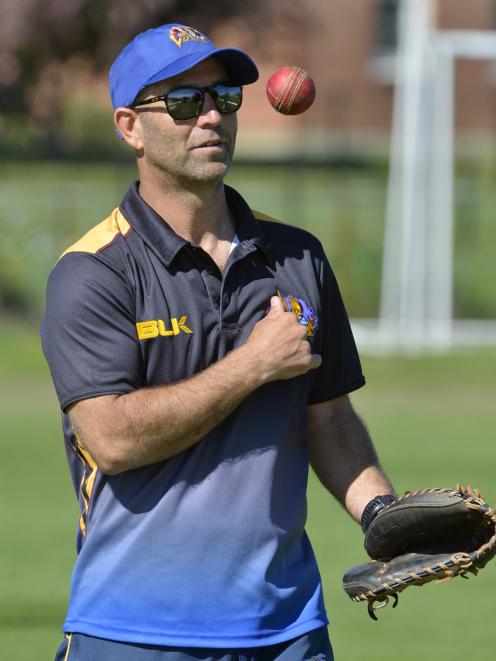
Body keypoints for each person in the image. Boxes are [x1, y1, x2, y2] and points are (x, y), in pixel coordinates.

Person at [42, 23, 395, 661]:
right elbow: (113, 440)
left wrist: (383, 517)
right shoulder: (92, 271)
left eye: (224, 98)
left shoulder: (298, 256)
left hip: (288, 630)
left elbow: (330, 418)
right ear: (129, 127)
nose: (211, 116)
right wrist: (254, 364)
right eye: (183, 102)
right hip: (134, 629)